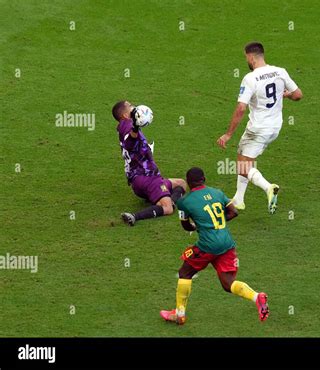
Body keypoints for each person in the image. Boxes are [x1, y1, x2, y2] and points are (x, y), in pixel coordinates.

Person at [160, 167, 269, 325]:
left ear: (189, 183)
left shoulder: (184, 202)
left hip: (207, 246)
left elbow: (186, 226)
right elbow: (234, 212)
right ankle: (256, 297)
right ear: (204, 179)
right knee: (228, 283)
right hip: (226, 243)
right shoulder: (218, 193)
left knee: (185, 272)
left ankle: (179, 314)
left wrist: (198, 227)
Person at [217, 42, 303, 214]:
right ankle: (239, 200)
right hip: (275, 128)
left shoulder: (250, 78)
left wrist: (228, 134)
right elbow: (298, 95)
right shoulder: (280, 71)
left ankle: (268, 187)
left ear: (251, 57)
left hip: (257, 128)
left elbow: (241, 108)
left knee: (242, 165)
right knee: (245, 159)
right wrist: (285, 95)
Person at [112, 100, 186, 226]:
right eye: (130, 106)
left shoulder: (124, 126)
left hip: (140, 180)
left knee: (181, 183)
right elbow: (129, 143)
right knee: (167, 209)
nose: (134, 107)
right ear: (125, 115)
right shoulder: (127, 125)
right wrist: (135, 127)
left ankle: (165, 199)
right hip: (148, 178)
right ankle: (135, 216)